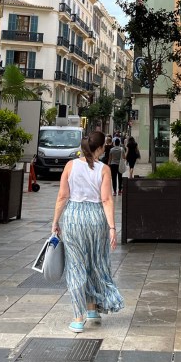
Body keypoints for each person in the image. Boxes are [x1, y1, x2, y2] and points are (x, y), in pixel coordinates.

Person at [51, 129, 124, 333]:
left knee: (76, 266)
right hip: (96, 219)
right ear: (99, 148)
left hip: (73, 217)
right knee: (96, 262)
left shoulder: (70, 165)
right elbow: (107, 199)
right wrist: (112, 227)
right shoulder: (104, 169)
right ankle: (92, 308)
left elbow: (62, 196)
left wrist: (55, 221)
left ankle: (79, 317)